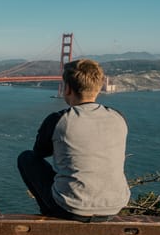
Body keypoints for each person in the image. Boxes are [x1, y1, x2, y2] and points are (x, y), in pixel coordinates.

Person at [17, 59, 130, 222]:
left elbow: (40, 153)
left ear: (67, 88)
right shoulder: (118, 117)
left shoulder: (58, 119)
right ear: (98, 88)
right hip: (115, 207)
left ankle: (49, 213)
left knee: (27, 158)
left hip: (69, 209)